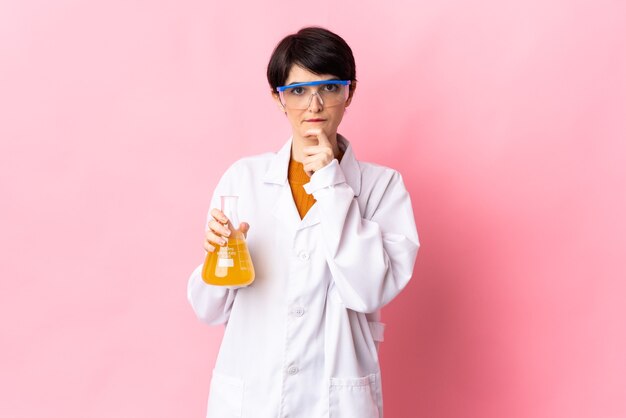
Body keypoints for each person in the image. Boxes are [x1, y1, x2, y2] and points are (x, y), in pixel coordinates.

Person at [187, 26, 419, 418]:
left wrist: (330, 184)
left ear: (350, 92)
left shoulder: (383, 187)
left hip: (333, 402)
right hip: (251, 398)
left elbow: (367, 291)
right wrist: (215, 259)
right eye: (297, 91)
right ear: (278, 99)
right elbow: (208, 309)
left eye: (329, 87)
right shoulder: (243, 179)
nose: (314, 104)